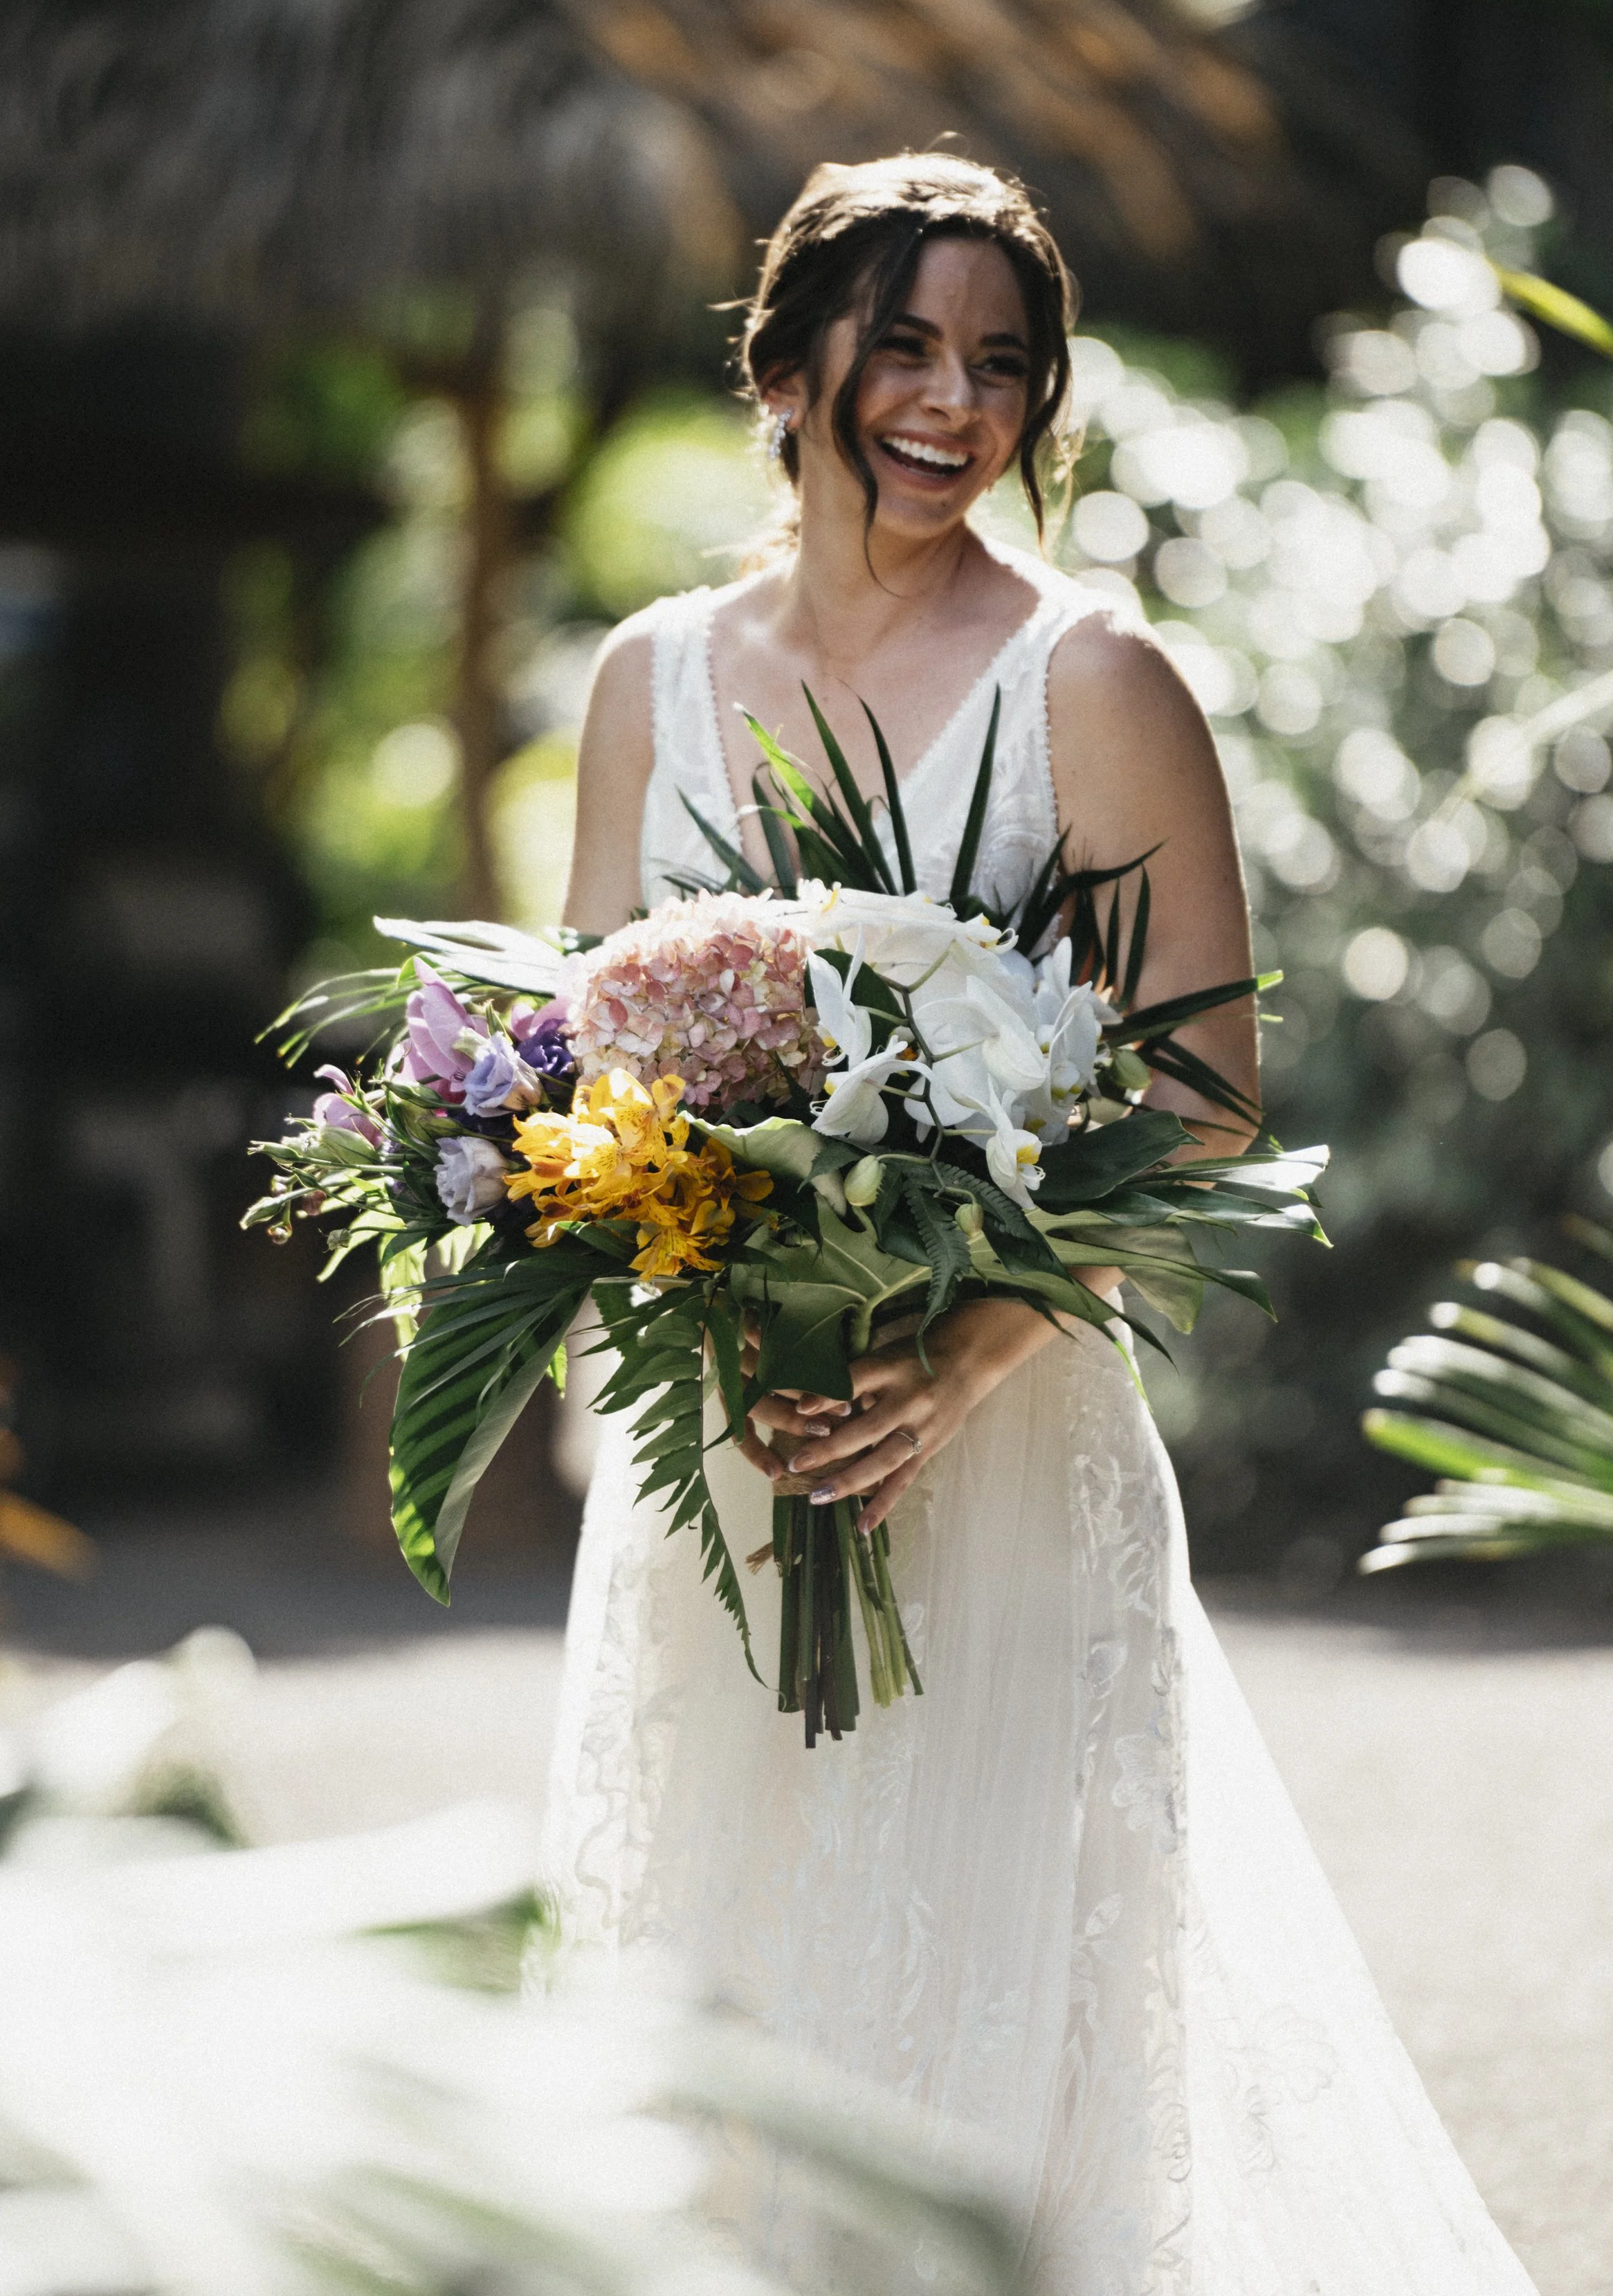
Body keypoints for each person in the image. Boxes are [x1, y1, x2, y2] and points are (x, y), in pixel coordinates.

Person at [546, 152, 1535, 2293]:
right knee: (713, 2011)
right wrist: (690, 1281)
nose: (949, 400)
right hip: (720, 1462)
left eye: (1002, 361)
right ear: (785, 362)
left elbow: (1200, 1098)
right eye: (901, 343)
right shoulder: (651, 678)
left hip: (994, 1452)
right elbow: (578, 1064)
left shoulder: (1093, 678)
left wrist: (949, 1363)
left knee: (1008, 2028)